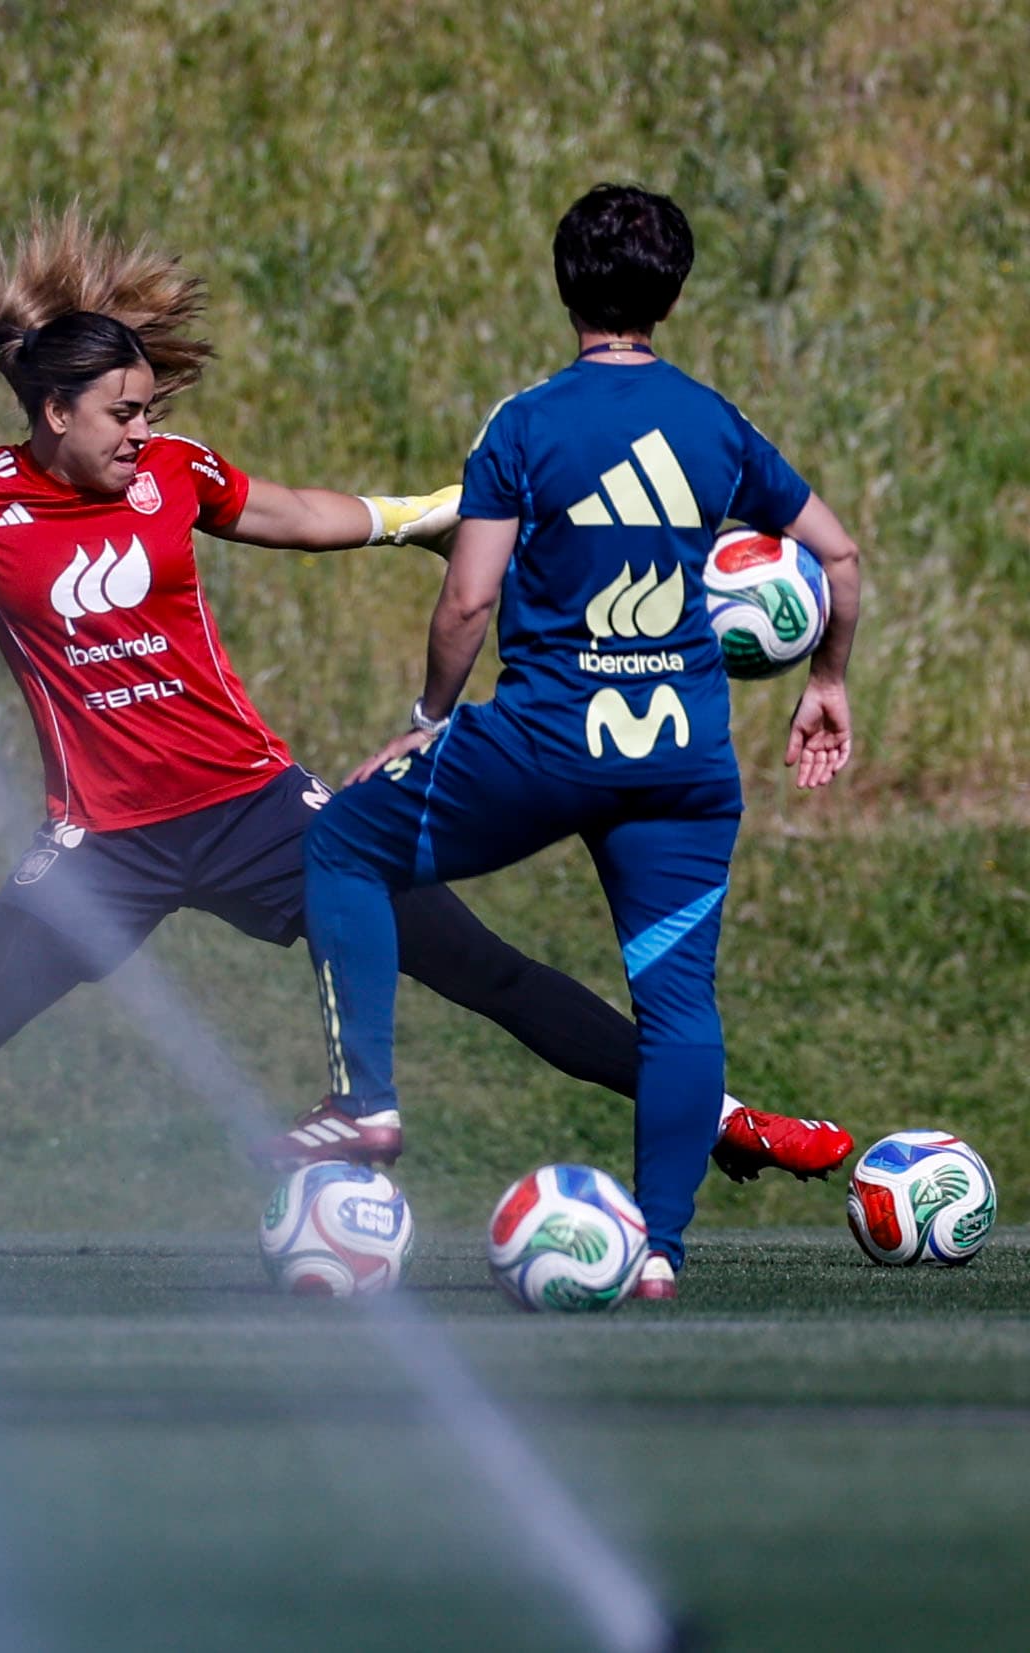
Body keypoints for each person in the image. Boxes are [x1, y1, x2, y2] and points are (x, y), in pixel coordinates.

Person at [0, 209, 851, 1264]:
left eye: (148, 410)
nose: (140, 432)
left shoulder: (173, 476)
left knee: (489, 974)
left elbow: (297, 514)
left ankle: (724, 1118)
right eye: (120, 413)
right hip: (100, 846)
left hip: (260, 814)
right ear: (51, 410)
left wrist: (419, 514)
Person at [301, 183, 863, 1300]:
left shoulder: (524, 422)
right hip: (683, 768)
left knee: (342, 846)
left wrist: (424, 724)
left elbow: (468, 599)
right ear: (672, 294)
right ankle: (659, 1252)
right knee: (677, 1006)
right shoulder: (715, 422)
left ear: (563, 286)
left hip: (543, 745)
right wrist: (828, 681)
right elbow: (838, 557)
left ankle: (365, 1103)